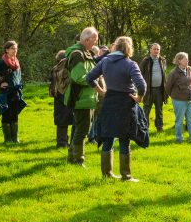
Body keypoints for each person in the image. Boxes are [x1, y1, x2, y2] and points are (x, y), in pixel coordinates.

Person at [88, 36, 147, 181]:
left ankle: (106, 174)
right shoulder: (130, 64)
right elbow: (142, 86)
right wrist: (139, 98)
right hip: (125, 103)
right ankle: (126, 176)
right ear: (128, 48)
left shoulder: (105, 61)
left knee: (108, 137)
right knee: (124, 138)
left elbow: (89, 77)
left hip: (109, 102)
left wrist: (101, 91)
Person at [63, 29, 102, 166]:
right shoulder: (77, 54)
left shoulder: (86, 53)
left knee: (81, 129)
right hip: (80, 97)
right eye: (94, 40)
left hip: (87, 98)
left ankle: (72, 158)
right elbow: (79, 77)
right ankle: (78, 160)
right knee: (82, 130)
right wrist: (96, 82)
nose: (96, 42)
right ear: (86, 40)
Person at [0, 41, 26, 144]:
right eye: (12, 48)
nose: (15, 50)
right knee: (6, 115)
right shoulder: (2, 62)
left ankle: (15, 139)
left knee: (14, 115)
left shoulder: (16, 61)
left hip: (16, 92)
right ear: (7, 50)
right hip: (6, 93)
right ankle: (8, 140)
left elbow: (18, 77)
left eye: (16, 48)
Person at [165, 52, 191, 143]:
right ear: (179, 60)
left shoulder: (190, 69)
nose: (188, 61)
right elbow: (168, 87)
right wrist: (174, 96)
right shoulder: (174, 73)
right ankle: (179, 139)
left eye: (187, 59)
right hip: (179, 100)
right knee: (179, 120)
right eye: (185, 59)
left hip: (190, 99)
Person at [139, 43, 167, 133]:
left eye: (158, 49)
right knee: (146, 110)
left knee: (159, 110)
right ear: (150, 50)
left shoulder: (162, 60)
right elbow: (139, 75)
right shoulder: (145, 61)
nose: (156, 51)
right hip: (148, 91)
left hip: (159, 90)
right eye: (154, 49)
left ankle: (159, 127)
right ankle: (144, 128)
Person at [50, 50, 73, 148]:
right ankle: (63, 142)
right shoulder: (68, 68)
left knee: (61, 120)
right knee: (67, 118)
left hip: (57, 95)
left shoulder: (55, 68)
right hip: (66, 95)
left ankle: (61, 141)